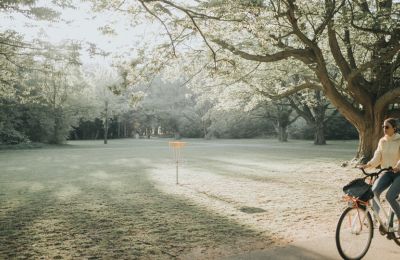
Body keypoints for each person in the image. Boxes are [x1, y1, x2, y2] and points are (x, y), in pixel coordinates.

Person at [361, 118, 400, 234]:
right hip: (387, 172)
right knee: (374, 191)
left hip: (399, 172)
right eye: (383, 127)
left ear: (394, 128)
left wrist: (398, 166)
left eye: (387, 127)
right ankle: (375, 219)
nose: (384, 129)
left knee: (390, 196)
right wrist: (367, 165)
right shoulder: (382, 141)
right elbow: (377, 157)